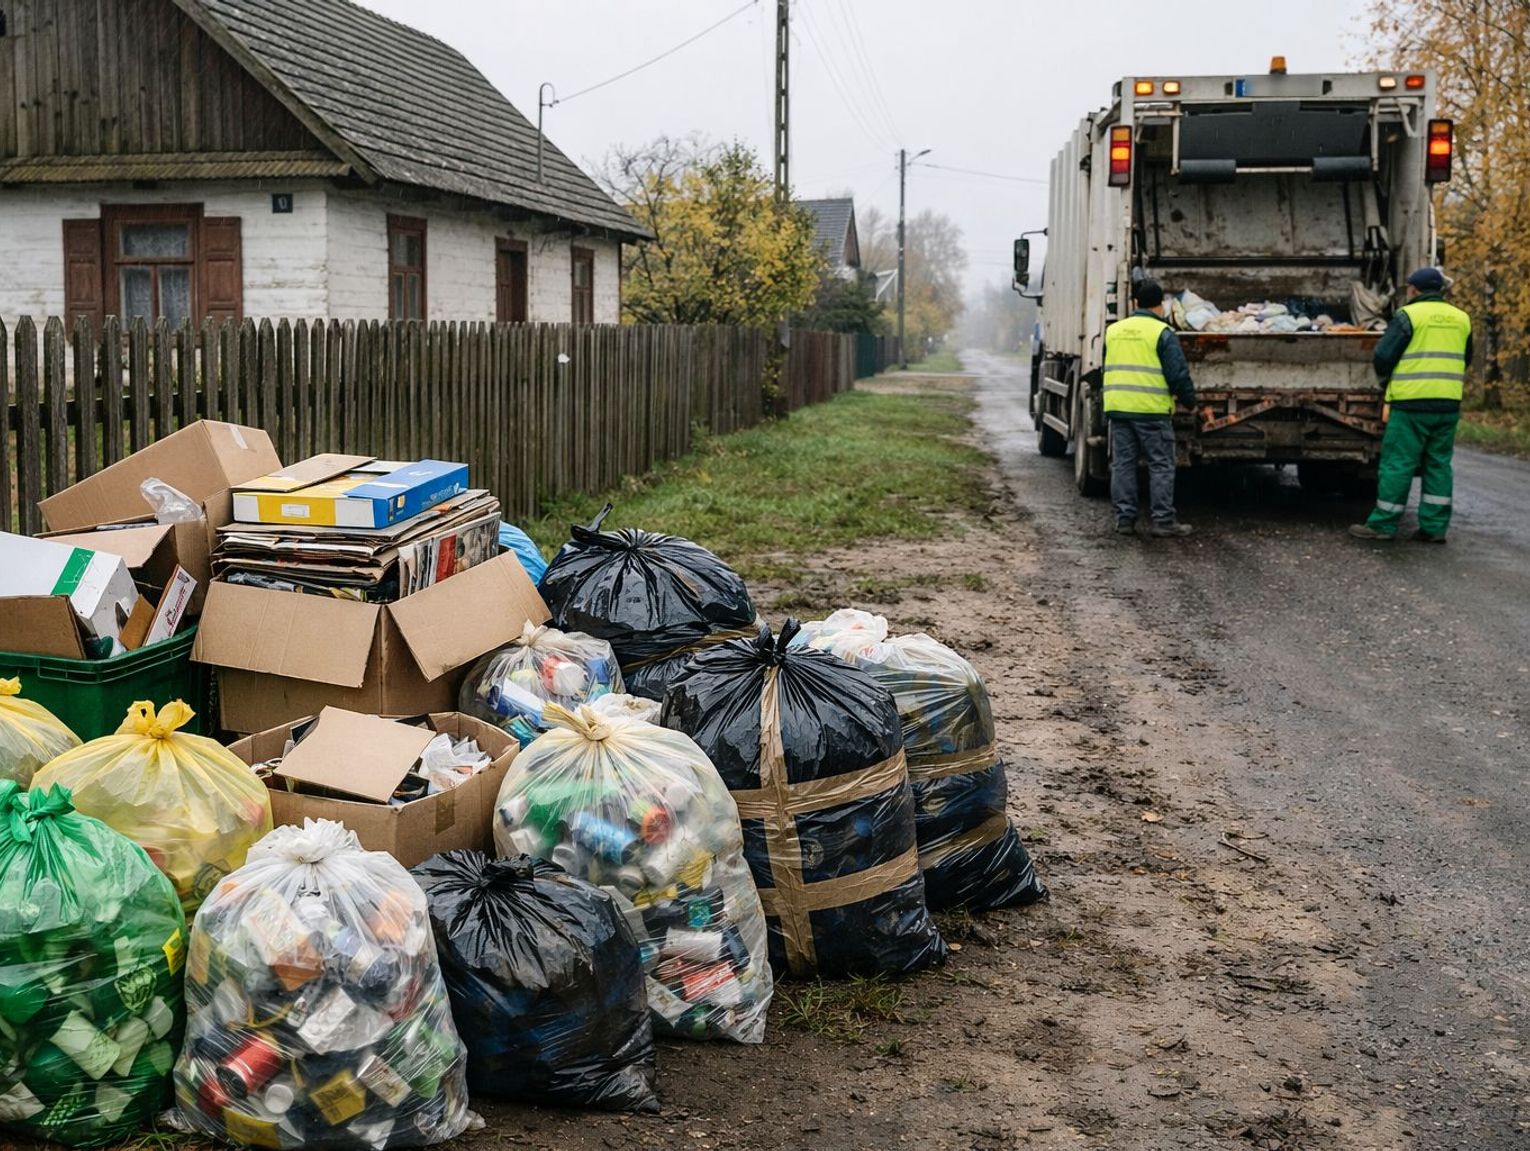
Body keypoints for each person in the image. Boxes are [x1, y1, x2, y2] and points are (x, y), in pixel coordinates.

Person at [1349, 267, 1472, 543]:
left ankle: (1382, 525)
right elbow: (1467, 356)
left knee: (1398, 464)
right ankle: (1434, 528)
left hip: (1411, 404)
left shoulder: (1408, 316)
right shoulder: (1462, 318)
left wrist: (1387, 380)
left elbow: (1383, 355)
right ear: (1440, 290)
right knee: (1438, 464)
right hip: (1448, 403)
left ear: (1415, 290)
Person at [1103, 279, 1195, 537]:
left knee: (1123, 464)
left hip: (1119, 409)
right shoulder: (1162, 333)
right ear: (1160, 306)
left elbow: (1105, 368)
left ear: (1135, 303)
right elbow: (1177, 375)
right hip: (1151, 411)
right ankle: (1163, 521)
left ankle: (1124, 521)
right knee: (1161, 464)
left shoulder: (1114, 331)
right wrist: (1190, 401)